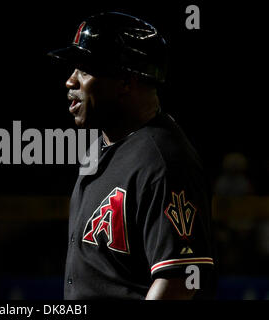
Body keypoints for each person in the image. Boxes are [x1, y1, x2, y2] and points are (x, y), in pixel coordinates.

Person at [48, 12, 215, 299]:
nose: (70, 82)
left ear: (126, 81)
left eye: (85, 70)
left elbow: (179, 281)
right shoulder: (103, 146)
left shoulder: (162, 160)